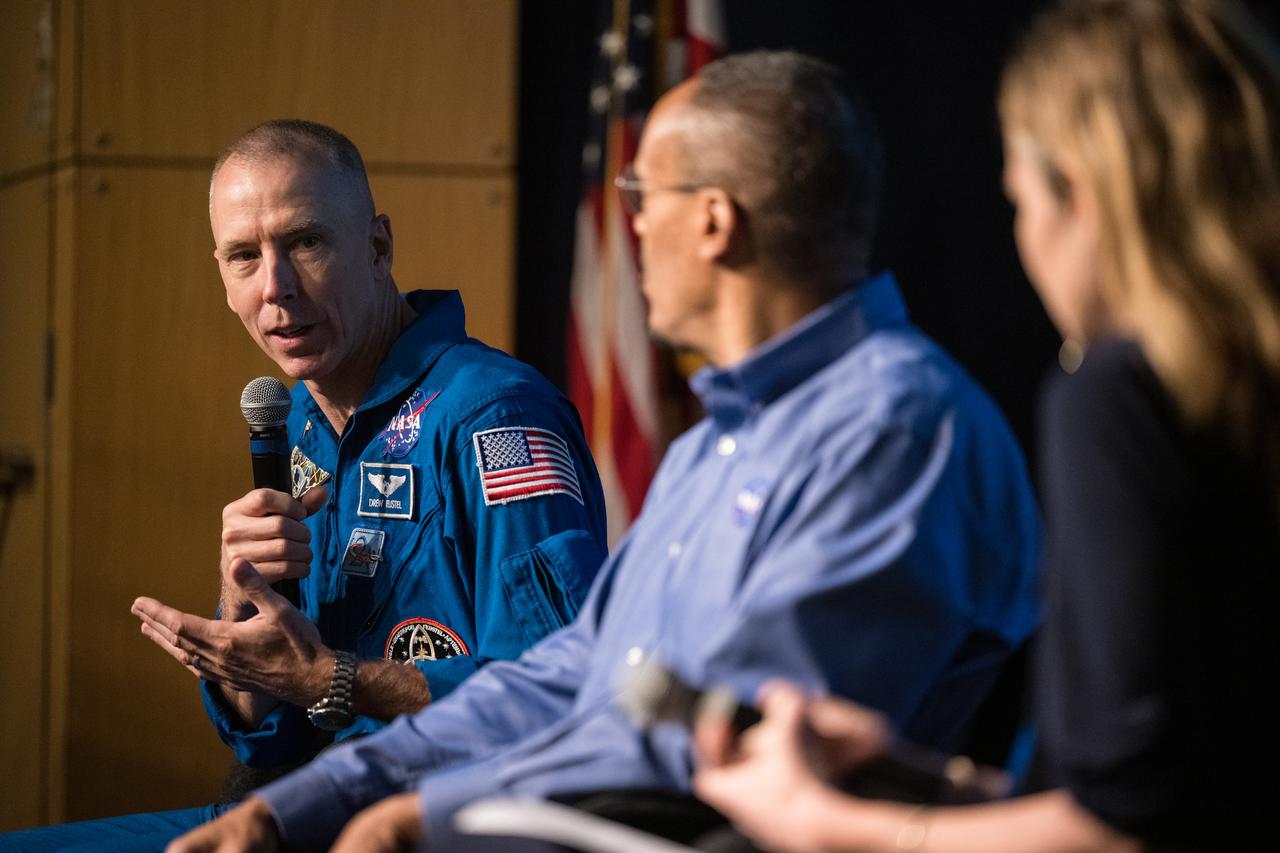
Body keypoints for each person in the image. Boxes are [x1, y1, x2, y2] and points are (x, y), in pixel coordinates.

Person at [167, 50, 1042, 853]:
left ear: (710, 221)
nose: (628, 235)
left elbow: (709, 755)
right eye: (243, 256)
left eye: (638, 198)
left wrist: (409, 809)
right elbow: (580, 675)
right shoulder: (715, 449)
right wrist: (320, 793)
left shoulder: (892, 428)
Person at [692, 1, 1280, 850]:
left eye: (1018, 200)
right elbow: (1186, 786)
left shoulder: (1119, 397)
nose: (1024, 237)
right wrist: (927, 778)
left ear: (1078, 195)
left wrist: (826, 821)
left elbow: (1116, 831)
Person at [0, 121, 607, 850]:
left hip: (440, 826)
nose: (276, 288)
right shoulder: (292, 422)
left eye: (307, 243)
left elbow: (559, 703)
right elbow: (271, 739)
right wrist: (242, 621)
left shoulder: (494, 415)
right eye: (244, 257)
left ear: (378, 248)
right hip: (299, 809)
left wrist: (331, 677)